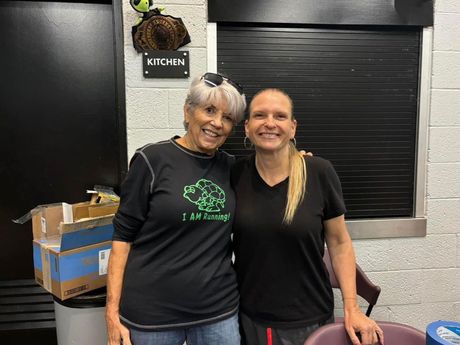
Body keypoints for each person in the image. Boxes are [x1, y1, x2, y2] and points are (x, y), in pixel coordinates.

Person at [231, 88, 384, 345]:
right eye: (260, 115)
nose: (270, 123)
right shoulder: (234, 174)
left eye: (280, 116)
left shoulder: (319, 172)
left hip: (310, 317)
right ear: (247, 127)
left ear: (292, 128)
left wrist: (352, 307)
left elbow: (339, 243)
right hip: (251, 318)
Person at [105, 72, 246, 345]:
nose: (217, 123)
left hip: (217, 312)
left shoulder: (231, 168)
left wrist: (298, 159)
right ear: (188, 111)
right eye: (209, 110)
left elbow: (272, 174)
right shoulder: (152, 160)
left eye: (228, 118)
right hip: (152, 317)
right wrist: (111, 313)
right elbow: (122, 239)